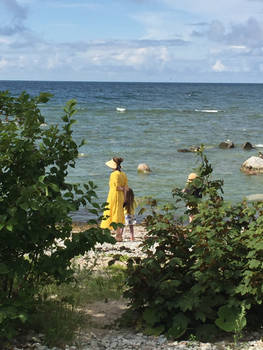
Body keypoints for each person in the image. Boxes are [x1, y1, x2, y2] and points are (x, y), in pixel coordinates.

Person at [100, 157, 128, 241]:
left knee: (111, 212)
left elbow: (117, 187)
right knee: (118, 214)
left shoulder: (113, 174)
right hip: (121, 196)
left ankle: (115, 235)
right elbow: (126, 188)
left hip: (114, 196)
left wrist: (122, 189)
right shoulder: (123, 174)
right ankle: (119, 236)